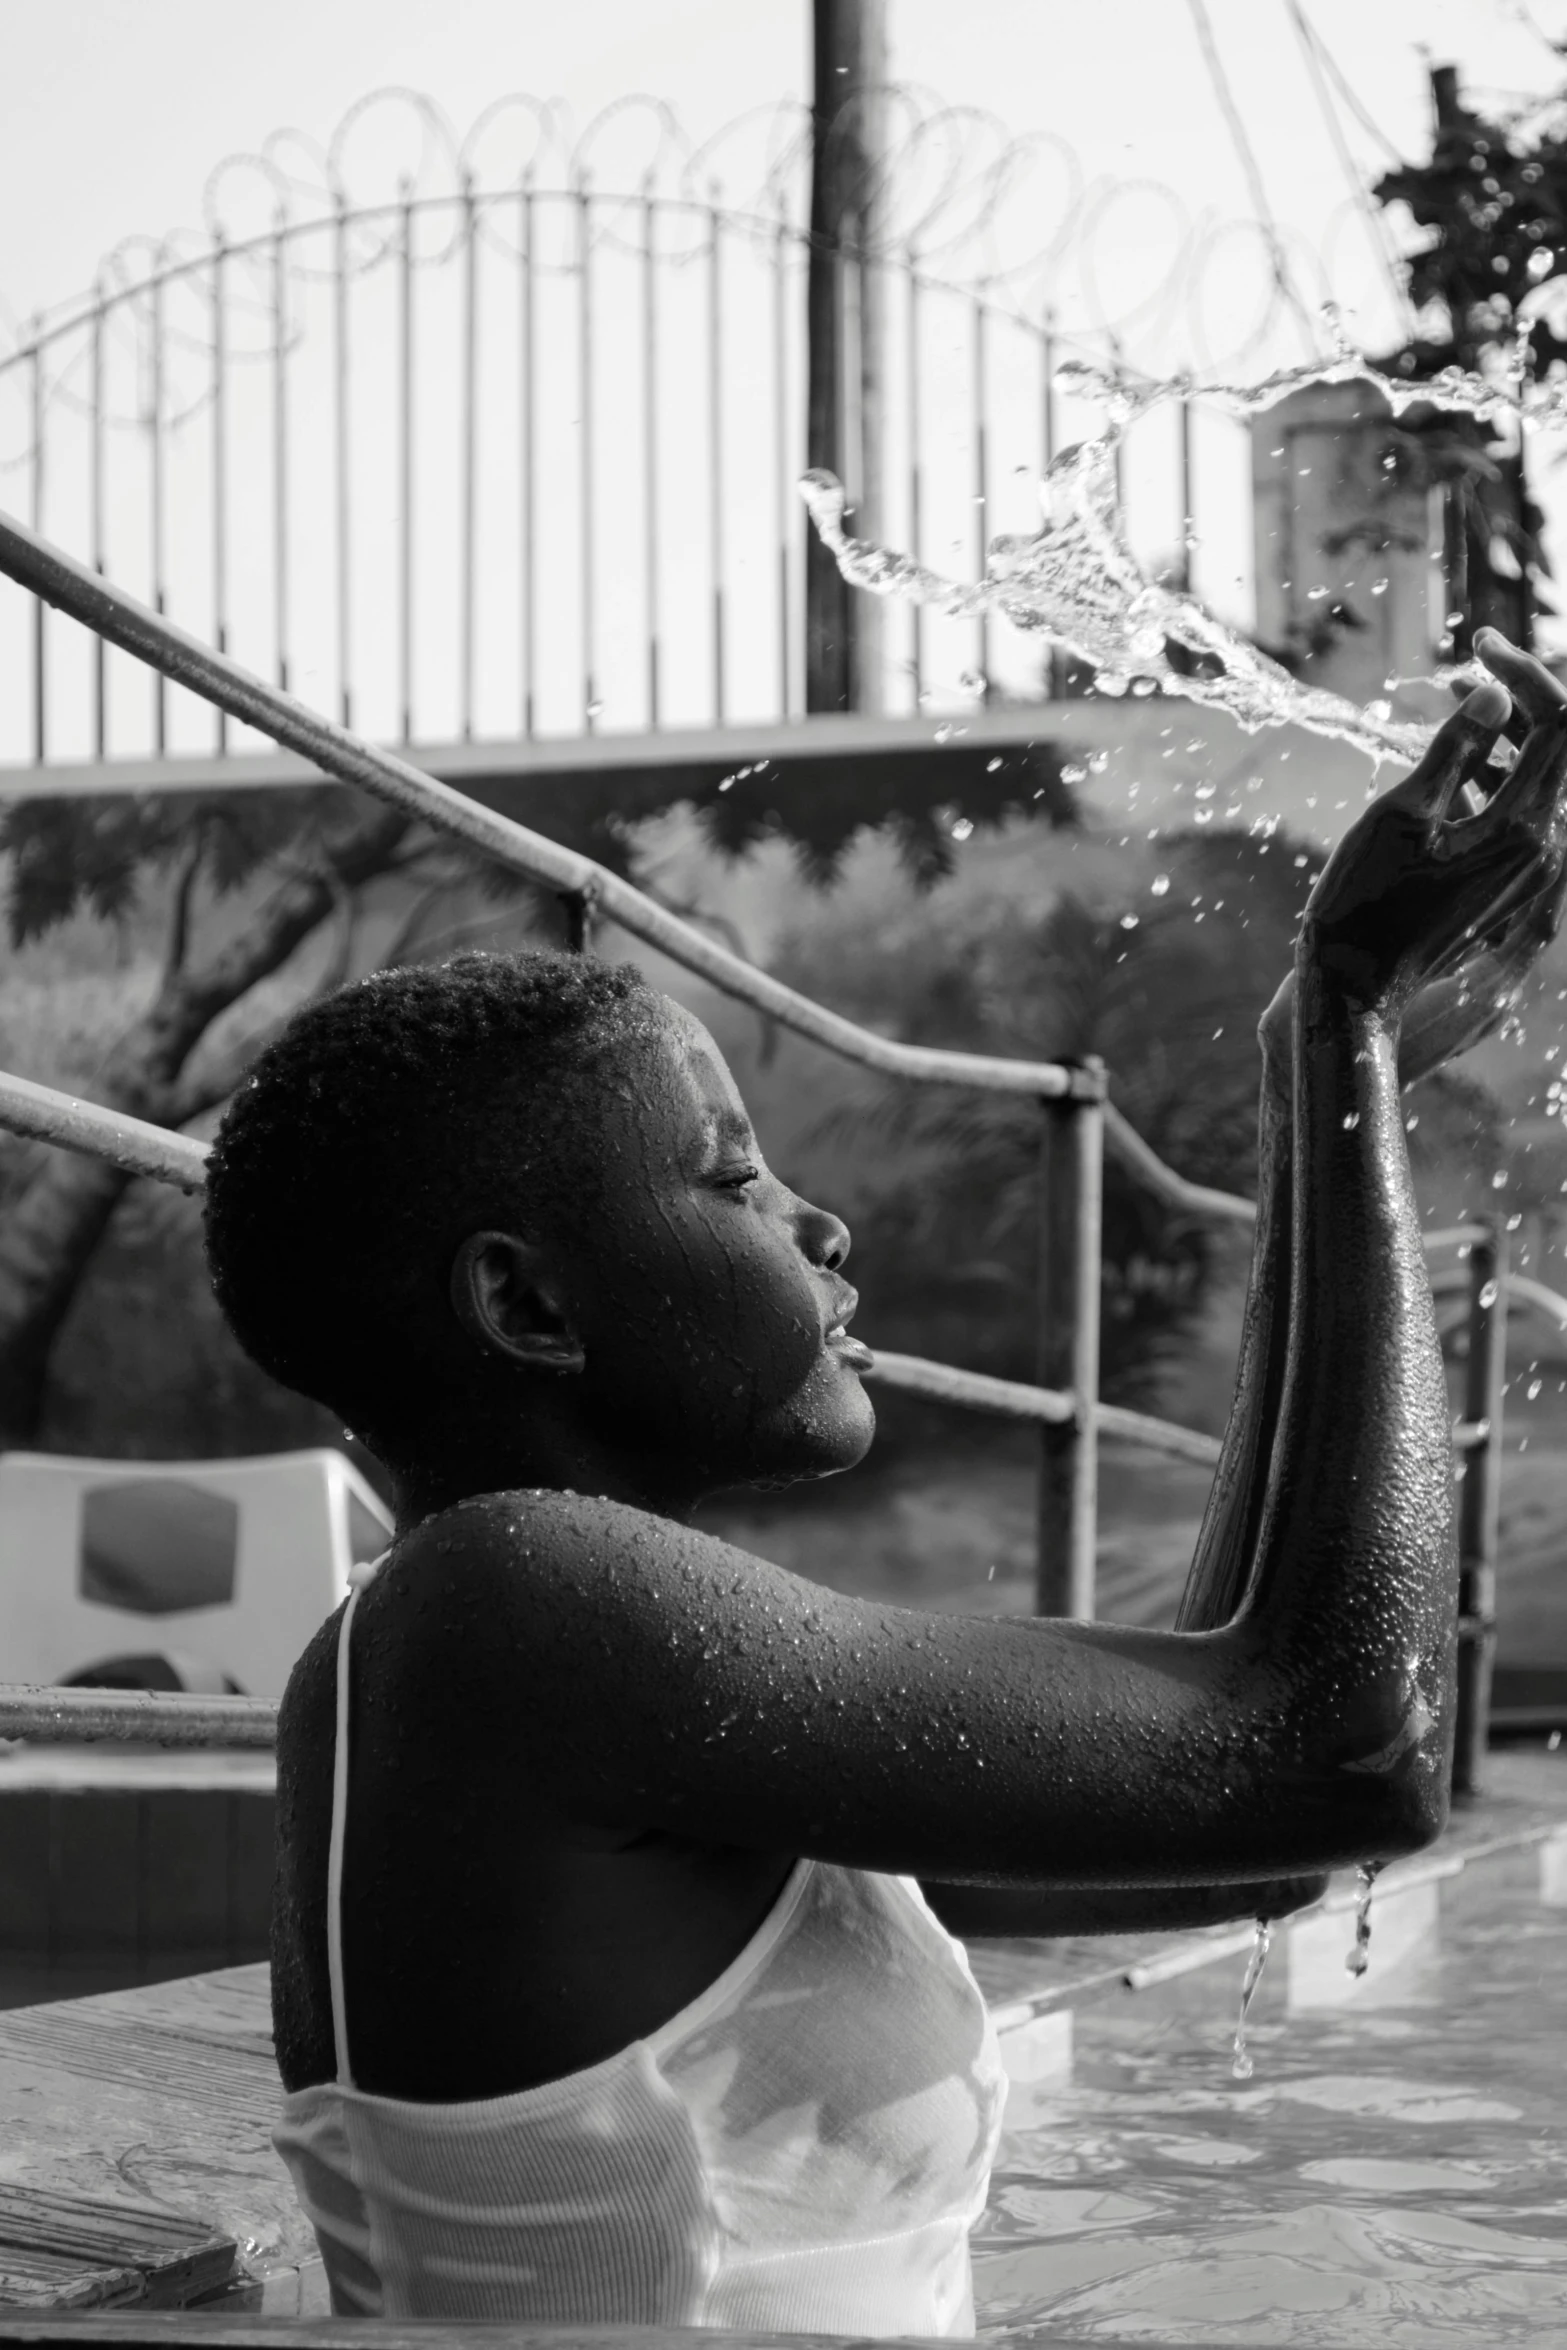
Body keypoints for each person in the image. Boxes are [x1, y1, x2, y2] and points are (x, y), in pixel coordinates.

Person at [203, 629, 1567, 2334]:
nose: (817, 1227)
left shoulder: (561, 1654)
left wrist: (1324, 1058)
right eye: (732, 1176)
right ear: (529, 1304)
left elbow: (1246, 1831)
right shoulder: (518, 1604)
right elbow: (1334, 1755)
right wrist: (1342, 1043)